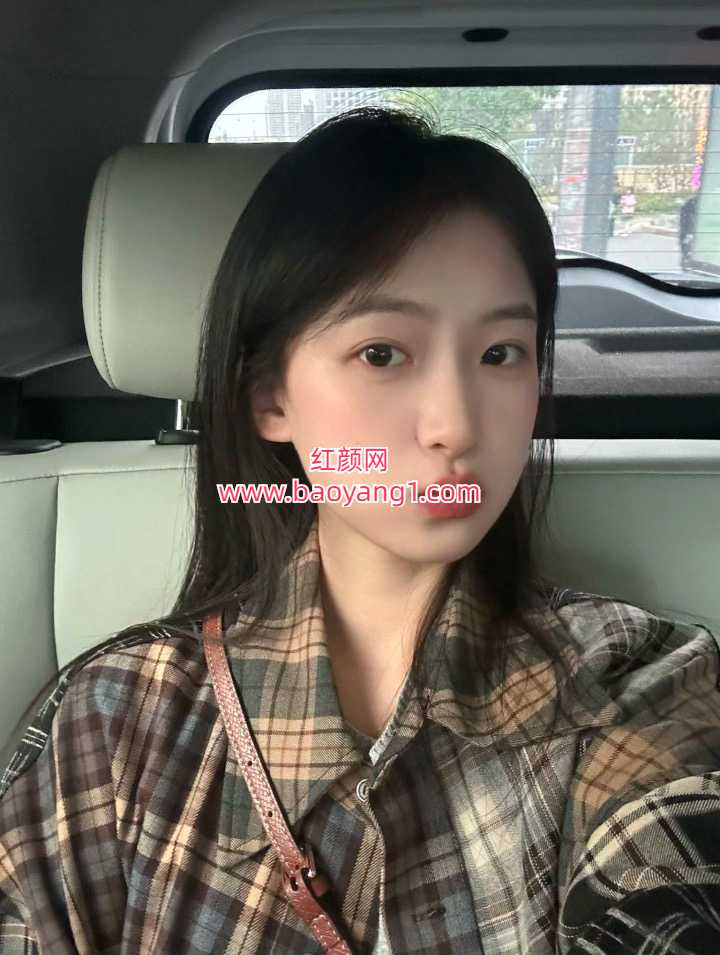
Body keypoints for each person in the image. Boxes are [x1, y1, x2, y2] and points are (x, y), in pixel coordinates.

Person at [1, 107, 720, 955]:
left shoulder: (638, 683)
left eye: (501, 353)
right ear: (269, 398)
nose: (455, 426)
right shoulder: (118, 717)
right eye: (383, 353)